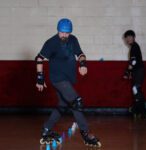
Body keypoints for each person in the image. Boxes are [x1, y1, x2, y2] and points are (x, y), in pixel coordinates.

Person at [35, 18, 101, 147]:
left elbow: (80, 54)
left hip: (68, 79)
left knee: (63, 105)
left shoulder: (73, 39)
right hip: (58, 79)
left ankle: (46, 130)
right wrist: (40, 78)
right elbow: (39, 58)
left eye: (67, 33)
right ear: (58, 30)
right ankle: (86, 133)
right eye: (62, 32)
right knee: (76, 102)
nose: (64, 35)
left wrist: (82, 64)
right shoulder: (51, 42)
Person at [123, 30, 146, 117]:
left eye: (130, 37)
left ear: (134, 37)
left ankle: (143, 108)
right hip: (137, 71)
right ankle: (140, 108)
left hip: (139, 70)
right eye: (126, 38)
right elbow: (133, 61)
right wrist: (130, 72)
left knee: (135, 88)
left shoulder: (134, 46)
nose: (128, 39)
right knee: (136, 90)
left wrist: (128, 71)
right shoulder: (134, 46)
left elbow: (133, 62)